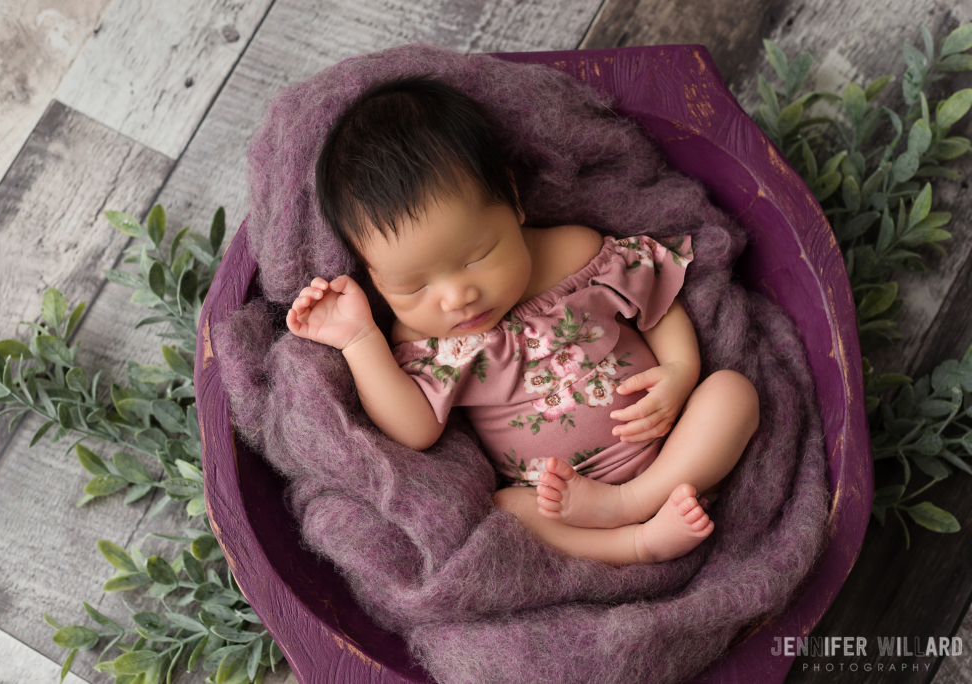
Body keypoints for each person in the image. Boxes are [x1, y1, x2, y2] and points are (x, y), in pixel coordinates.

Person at [286, 75, 760, 565]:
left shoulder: (574, 253)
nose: (457, 298)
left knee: (731, 393)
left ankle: (634, 502)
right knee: (507, 509)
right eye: (413, 287)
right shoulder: (424, 343)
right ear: (376, 281)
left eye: (477, 256)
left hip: (673, 446)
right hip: (559, 499)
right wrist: (360, 338)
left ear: (512, 201)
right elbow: (417, 428)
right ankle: (633, 544)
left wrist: (680, 373)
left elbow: (656, 301)